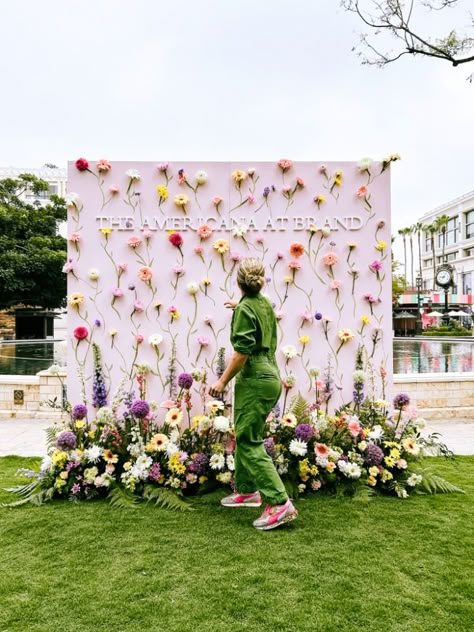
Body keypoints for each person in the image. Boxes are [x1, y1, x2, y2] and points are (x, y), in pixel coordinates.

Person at [208, 257, 298, 531]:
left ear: (238, 282)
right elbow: (256, 314)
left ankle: (279, 502)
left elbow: (242, 352)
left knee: (247, 440)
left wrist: (222, 381)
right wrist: (241, 306)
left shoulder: (248, 308)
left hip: (255, 378)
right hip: (270, 376)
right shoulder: (262, 305)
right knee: (247, 433)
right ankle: (247, 491)